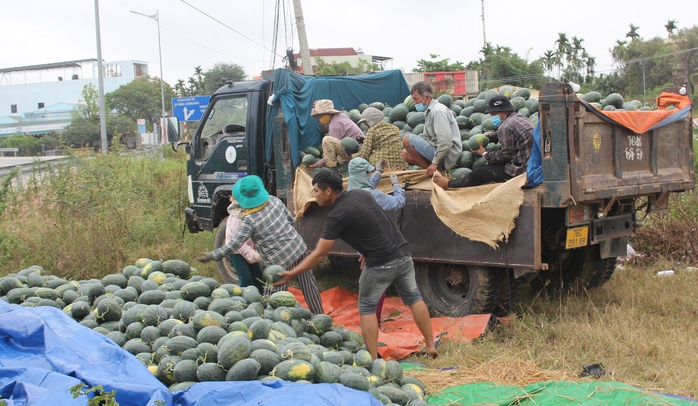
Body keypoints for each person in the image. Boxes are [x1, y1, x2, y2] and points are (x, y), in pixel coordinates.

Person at [274, 170, 438, 360]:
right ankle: (429, 345)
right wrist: (368, 250)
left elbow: (319, 254)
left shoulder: (336, 216)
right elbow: (374, 222)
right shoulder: (360, 193)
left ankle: (372, 360)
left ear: (328, 191)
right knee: (414, 297)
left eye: (316, 191)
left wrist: (292, 272)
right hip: (402, 252)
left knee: (367, 306)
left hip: (381, 262)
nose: (314, 195)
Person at [197, 175, 323, 315]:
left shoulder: (249, 220)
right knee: (309, 288)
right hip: (298, 249)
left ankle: (269, 325)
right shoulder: (274, 201)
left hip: (279, 263)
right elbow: (290, 220)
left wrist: (213, 255)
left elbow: (234, 245)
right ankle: (320, 316)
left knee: (272, 299)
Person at [348, 157, 405, 328]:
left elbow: (366, 186)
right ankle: (374, 323)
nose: (369, 175)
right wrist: (396, 186)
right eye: (368, 172)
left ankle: (368, 319)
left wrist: (379, 173)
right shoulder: (374, 196)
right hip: (376, 248)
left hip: (362, 246)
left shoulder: (350, 193)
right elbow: (398, 203)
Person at [433, 95, 534, 189]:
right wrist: (490, 137)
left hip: (520, 171)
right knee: (490, 165)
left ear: (504, 111)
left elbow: (506, 154)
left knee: (480, 173)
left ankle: (449, 184)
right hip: (530, 164)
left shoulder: (505, 126)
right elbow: (510, 135)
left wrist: (484, 153)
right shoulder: (519, 117)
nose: (493, 117)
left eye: (494, 114)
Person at [401, 81, 462, 176]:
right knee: (405, 154)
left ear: (427, 97)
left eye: (416, 99)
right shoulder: (431, 110)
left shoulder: (437, 111)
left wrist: (435, 163)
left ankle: (434, 173)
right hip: (439, 150)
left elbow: (445, 142)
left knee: (406, 139)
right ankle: (434, 172)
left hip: (448, 155)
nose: (414, 103)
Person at [309, 99, 365, 169]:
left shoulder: (335, 125)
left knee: (327, 140)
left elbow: (331, 149)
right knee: (339, 157)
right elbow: (325, 127)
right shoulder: (340, 116)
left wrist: (318, 164)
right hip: (362, 150)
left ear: (329, 113)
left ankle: (332, 170)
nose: (320, 119)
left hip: (357, 153)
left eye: (321, 116)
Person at [224, 198, 265, 292]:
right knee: (246, 277)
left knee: (258, 275)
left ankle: (261, 298)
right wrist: (255, 256)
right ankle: (243, 300)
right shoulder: (236, 219)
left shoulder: (251, 216)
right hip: (236, 251)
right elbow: (239, 245)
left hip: (248, 248)